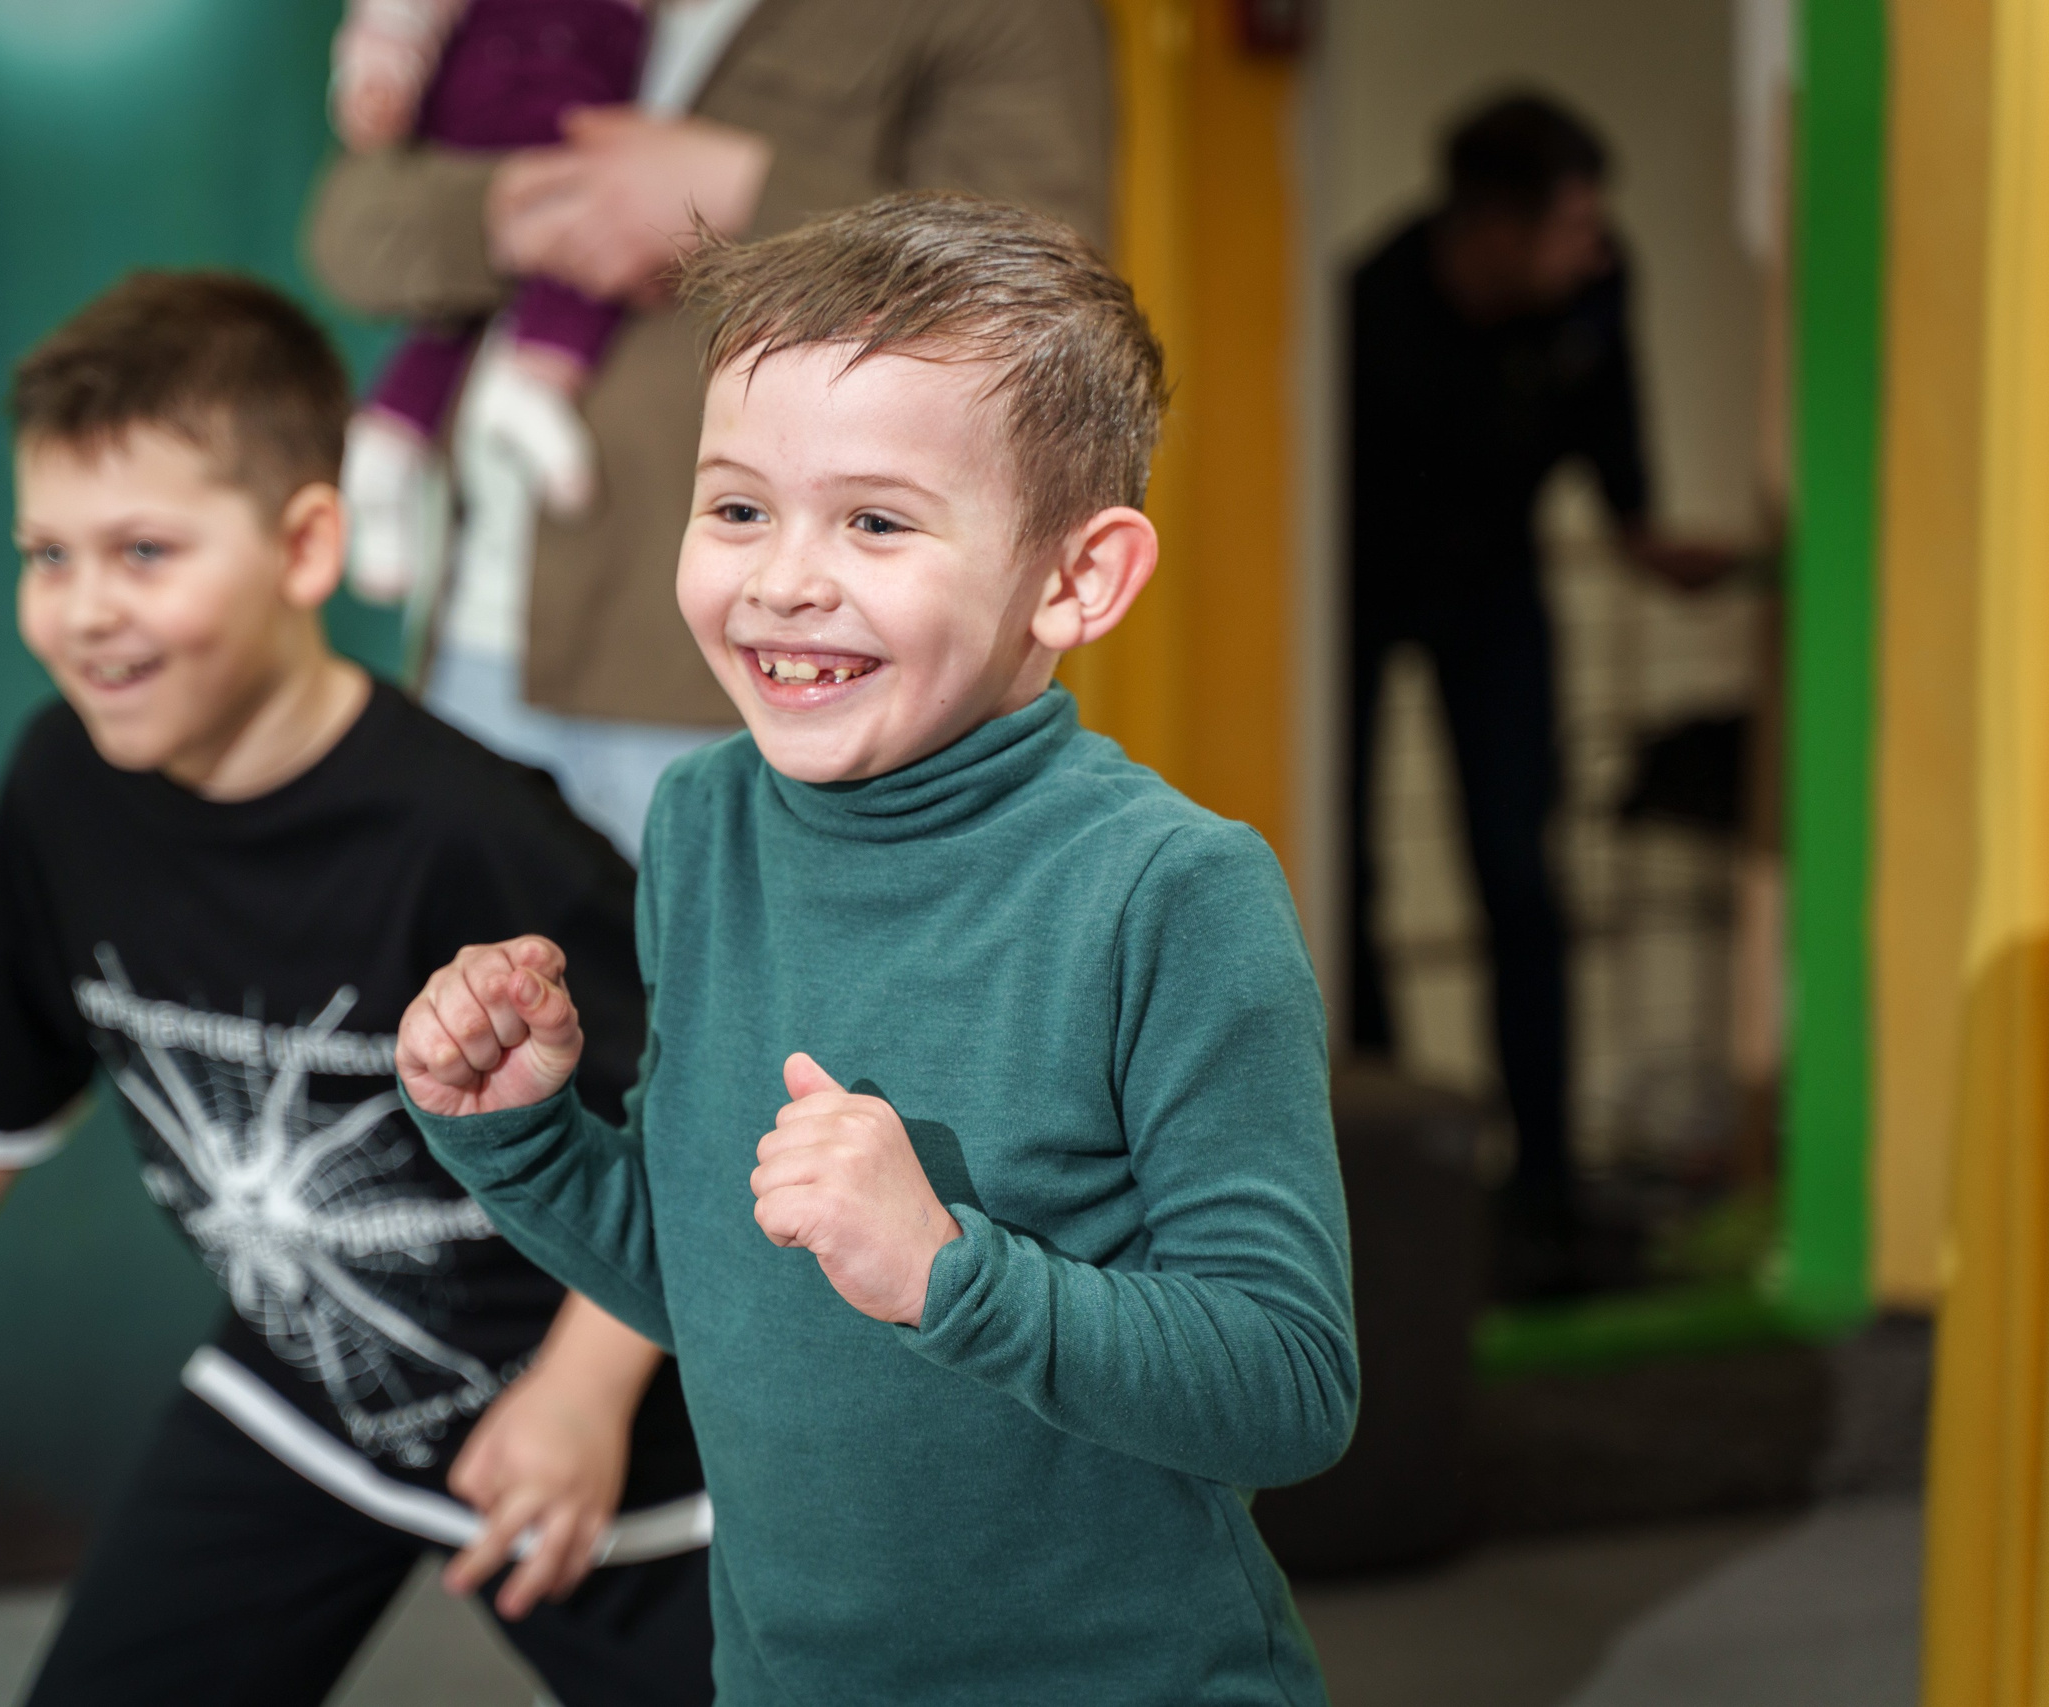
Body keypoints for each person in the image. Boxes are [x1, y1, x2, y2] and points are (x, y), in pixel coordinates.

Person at [396, 195, 1359, 1704]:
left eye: (878, 520)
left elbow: (1292, 1385)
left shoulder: (1173, 889)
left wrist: (944, 1269)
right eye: (737, 508)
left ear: (1078, 578)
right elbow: (709, 1277)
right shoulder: (705, 822)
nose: (783, 578)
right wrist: (513, 1136)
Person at [0, 271, 713, 1706]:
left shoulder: (473, 833)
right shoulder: (59, 782)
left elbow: (689, 1118)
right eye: (47, 554)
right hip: (307, 1390)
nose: (84, 612)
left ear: (308, 544)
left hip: (602, 1433)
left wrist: (582, 1392)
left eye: (143, 550)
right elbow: (11, 1053)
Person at [309, 0, 1111, 860]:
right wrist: (518, 206)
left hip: (741, 672)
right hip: (469, 632)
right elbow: (348, 235)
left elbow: (1045, 288)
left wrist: (738, 192)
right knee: (484, 986)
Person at [1346, 92, 1732, 1278]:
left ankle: (1547, 1195)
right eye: (1569, 223)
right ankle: (1386, 1167)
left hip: (1499, 594)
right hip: (1358, 586)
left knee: (1521, 873)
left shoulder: (1596, 290)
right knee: (1339, 868)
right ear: (1491, 228)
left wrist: (1652, 540)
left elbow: (1619, 472)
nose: (1593, 244)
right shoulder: (1369, 312)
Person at [330, 0, 652, 528]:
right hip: (510, 118)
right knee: (569, 250)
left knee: (458, 312)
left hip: (571, 120)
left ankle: (391, 433)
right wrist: (377, 74)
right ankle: (528, 382)